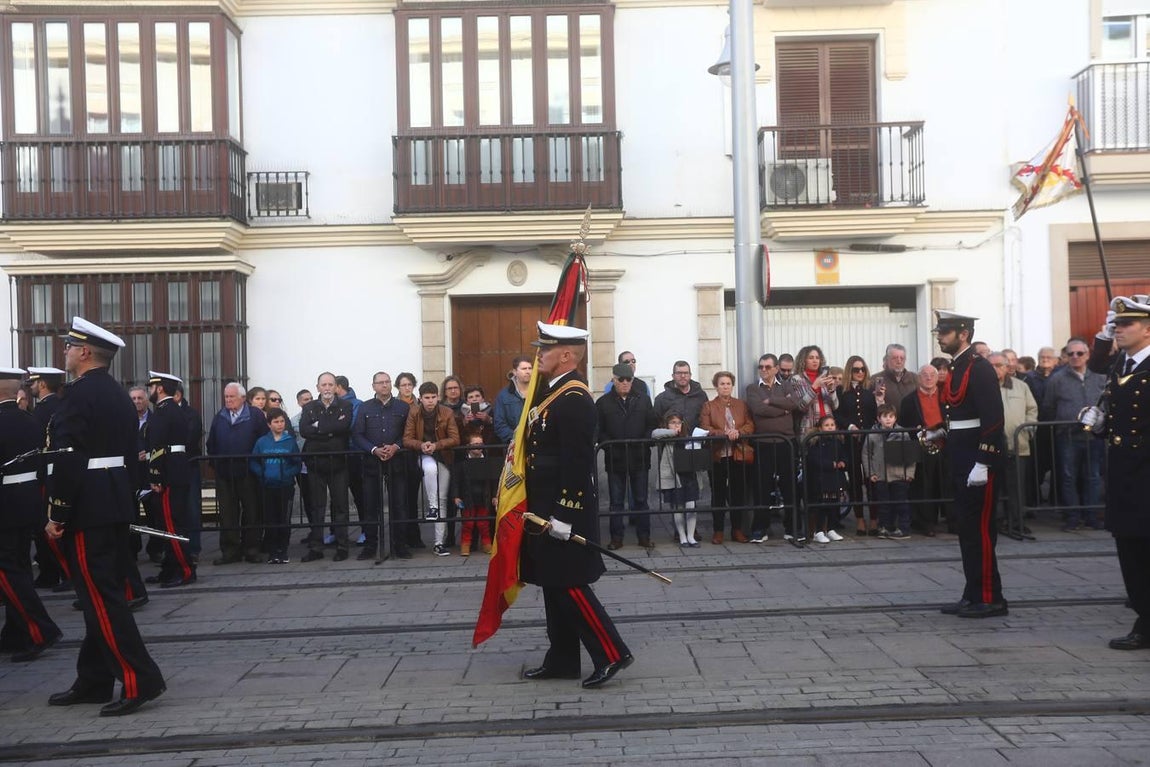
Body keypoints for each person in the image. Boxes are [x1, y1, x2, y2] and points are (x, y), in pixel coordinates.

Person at [44, 317, 165, 716]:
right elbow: (130, 455)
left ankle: (138, 679)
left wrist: (58, 510)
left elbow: (67, 458)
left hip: (88, 507)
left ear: (83, 353)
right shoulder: (115, 394)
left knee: (102, 597)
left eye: (68, 347)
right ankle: (94, 679)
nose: (64, 353)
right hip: (113, 502)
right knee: (99, 593)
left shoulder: (77, 396)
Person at [520, 322, 632, 688]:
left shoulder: (574, 400)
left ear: (567, 355)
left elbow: (577, 461)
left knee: (570, 584)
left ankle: (612, 653)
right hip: (544, 507)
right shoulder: (552, 394)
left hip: (563, 511)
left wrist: (564, 515)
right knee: (553, 584)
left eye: (545, 350)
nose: (539, 355)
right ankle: (563, 659)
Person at [931, 311, 1007, 618]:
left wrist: (984, 461)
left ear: (964, 334)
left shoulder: (980, 368)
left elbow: (993, 418)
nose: (939, 336)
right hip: (962, 456)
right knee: (967, 530)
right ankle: (973, 592)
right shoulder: (958, 366)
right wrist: (942, 431)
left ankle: (990, 597)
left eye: (945, 331)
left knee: (981, 531)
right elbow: (960, 413)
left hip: (978, 459)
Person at [1088, 294, 1150, 650]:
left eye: (1126, 324)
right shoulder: (1122, 366)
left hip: (1146, 472)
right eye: (1117, 324)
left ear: (1147, 328)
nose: (1119, 329)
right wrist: (1100, 423)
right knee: (1130, 549)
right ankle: (1144, 615)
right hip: (1124, 472)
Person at [0, 367, 62, 663]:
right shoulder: (31, 420)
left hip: (5, 505)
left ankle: (41, 629)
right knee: (20, 566)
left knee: (9, 571)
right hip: (28, 503)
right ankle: (15, 632)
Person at [1041, 337, 1106, 530]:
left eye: (1080, 353)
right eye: (1071, 354)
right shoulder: (1057, 379)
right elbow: (1048, 406)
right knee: (1068, 477)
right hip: (1067, 436)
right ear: (1066, 356)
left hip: (1093, 437)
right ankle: (1072, 516)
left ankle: (1091, 515)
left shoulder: (1099, 378)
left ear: (1087, 355)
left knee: (1093, 476)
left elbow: (1106, 404)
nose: (1075, 357)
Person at [352, 371, 413, 560]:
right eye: (380, 382)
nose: (384, 385)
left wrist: (396, 446)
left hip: (397, 462)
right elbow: (357, 434)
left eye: (387, 382)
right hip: (372, 463)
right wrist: (373, 449)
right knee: (371, 505)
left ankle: (400, 545)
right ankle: (371, 545)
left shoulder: (403, 407)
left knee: (399, 504)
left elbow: (409, 433)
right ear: (373, 386)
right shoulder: (364, 408)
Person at [142, 371, 195, 588]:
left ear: (160, 388)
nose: (149, 392)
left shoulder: (164, 412)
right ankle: (169, 568)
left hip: (168, 472)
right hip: (175, 469)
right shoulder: (173, 409)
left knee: (172, 524)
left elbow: (157, 446)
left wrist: (154, 475)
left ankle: (184, 570)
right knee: (166, 523)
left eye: (151, 388)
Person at [206, 382, 268, 565]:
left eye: (232, 396)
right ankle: (230, 551)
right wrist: (216, 463)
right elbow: (212, 442)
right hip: (225, 473)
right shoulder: (220, 416)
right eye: (226, 396)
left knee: (251, 511)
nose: (228, 400)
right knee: (227, 513)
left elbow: (263, 440)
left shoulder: (255, 415)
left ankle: (251, 549)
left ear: (242, 398)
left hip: (248, 472)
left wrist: (257, 464)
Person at [596, 362, 657, 549]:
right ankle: (616, 538)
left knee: (641, 500)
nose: (624, 383)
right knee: (616, 501)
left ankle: (644, 536)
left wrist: (645, 442)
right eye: (620, 379)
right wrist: (610, 447)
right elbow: (599, 430)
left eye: (628, 379)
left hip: (639, 457)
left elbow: (651, 425)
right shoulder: (603, 403)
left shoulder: (643, 400)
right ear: (613, 380)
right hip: (616, 460)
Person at [744, 353, 802, 543]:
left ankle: (793, 527)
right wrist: (782, 407)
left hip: (786, 442)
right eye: (761, 367)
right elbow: (758, 410)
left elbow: (794, 403)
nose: (764, 370)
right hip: (764, 443)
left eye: (768, 367)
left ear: (776, 368)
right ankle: (760, 528)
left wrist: (772, 401)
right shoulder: (752, 388)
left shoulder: (787, 385)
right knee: (762, 487)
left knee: (790, 487)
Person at [299, 372, 354, 562]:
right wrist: (330, 429)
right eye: (324, 385)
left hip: (338, 463)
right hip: (315, 464)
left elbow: (344, 427)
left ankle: (342, 546)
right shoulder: (309, 407)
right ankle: (316, 547)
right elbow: (305, 430)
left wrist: (318, 428)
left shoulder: (345, 405)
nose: (328, 388)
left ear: (336, 387)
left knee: (340, 506)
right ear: (318, 387)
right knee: (316, 507)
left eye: (331, 384)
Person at [24, 366, 70, 590]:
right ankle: (51, 572)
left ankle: (64, 573)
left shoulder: (43, 411)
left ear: (42, 384)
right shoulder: (60, 406)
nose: (31, 387)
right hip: (53, 472)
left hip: (46, 474)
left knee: (49, 527)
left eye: (33, 383)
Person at [403, 381, 460, 556]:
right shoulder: (414, 412)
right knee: (429, 469)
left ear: (438, 397)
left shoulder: (447, 412)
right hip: (424, 455)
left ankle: (438, 543)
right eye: (426, 398)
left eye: (433, 397)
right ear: (420, 398)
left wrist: (436, 445)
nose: (430, 401)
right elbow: (406, 439)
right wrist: (422, 445)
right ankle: (432, 507)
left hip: (442, 456)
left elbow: (455, 438)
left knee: (443, 498)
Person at [699, 371, 754, 544]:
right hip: (717, 455)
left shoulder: (741, 405)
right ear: (716, 386)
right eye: (722, 383)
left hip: (737, 454)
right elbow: (705, 427)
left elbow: (750, 424)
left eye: (728, 383)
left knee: (738, 493)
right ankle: (718, 530)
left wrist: (738, 432)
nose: (725, 386)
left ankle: (737, 529)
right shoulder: (708, 406)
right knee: (718, 494)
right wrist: (724, 433)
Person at [898, 364, 947, 537]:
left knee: (946, 484)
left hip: (945, 446)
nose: (928, 378)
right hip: (922, 448)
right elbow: (904, 425)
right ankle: (926, 523)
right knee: (924, 486)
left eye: (932, 374)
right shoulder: (909, 400)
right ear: (918, 378)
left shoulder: (946, 397)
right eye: (924, 374)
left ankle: (952, 520)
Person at [991, 352, 1037, 531]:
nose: (995, 369)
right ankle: (995, 522)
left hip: (1018, 444)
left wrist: (1028, 431)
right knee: (994, 488)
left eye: (999, 365)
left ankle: (1017, 522)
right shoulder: (981, 387)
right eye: (992, 365)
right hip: (991, 447)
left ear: (1007, 367)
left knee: (1016, 487)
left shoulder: (1021, 387)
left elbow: (1032, 410)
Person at [250, 407, 301, 564]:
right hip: (268, 486)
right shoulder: (262, 442)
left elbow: (297, 463)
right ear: (269, 424)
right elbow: (254, 461)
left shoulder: (290, 442)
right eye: (276, 422)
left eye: (282, 421)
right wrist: (262, 474)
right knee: (270, 519)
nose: (280, 425)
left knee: (284, 519)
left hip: (285, 485)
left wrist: (288, 473)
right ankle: (273, 551)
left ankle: (283, 550)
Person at [836, 355, 878, 536]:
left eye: (863, 369)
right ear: (849, 371)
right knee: (854, 480)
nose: (860, 373)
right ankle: (859, 518)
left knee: (872, 478)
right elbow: (837, 414)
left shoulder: (870, 391)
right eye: (856, 370)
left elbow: (875, 414)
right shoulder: (841, 391)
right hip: (851, 441)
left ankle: (874, 518)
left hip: (869, 441)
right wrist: (849, 426)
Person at [864, 404, 915, 539]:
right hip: (881, 475)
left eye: (891, 417)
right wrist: (870, 473)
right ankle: (885, 527)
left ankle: (904, 528)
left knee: (901, 502)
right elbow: (866, 454)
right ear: (878, 418)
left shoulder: (902, 432)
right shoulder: (872, 434)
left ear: (895, 418)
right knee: (883, 503)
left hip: (899, 475)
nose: (888, 419)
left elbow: (910, 455)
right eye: (885, 417)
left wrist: (909, 474)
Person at [450, 433, 496, 556]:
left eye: (480, 444)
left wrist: (495, 496)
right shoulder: (462, 463)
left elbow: (493, 482)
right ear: (468, 446)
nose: (478, 446)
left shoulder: (487, 462)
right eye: (475, 444)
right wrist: (456, 496)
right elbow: (456, 481)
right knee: (467, 523)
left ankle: (487, 544)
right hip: (467, 497)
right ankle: (465, 545)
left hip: (483, 497)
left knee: (484, 523)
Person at [806, 414, 847, 544]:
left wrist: (843, 462)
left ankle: (831, 528)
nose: (830, 428)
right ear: (820, 428)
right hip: (821, 478)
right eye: (827, 425)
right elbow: (814, 459)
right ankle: (818, 531)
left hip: (835, 477)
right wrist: (831, 464)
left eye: (832, 425)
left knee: (834, 504)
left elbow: (844, 455)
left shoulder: (838, 441)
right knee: (821, 505)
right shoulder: (815, 442)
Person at [793, 345, 839, 436]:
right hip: (810, 426)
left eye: (817, 358)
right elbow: (801, 406)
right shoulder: (797, 379)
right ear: (803, 360)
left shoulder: (825, 377)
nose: (815, 360)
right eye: (811, 358)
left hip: (828, 426)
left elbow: (835, 406)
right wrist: (814, 387)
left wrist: (831, 389)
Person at [494, 356, 533, 444]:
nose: (527, 371)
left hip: (537, 444)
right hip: (514, 445)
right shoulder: (504, 395)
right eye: (523, 368)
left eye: (530, 368)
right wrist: (515, 437)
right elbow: (499, 424)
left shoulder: (538, 392)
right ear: (515, 372)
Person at [870, 344, 919, 412]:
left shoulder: (914, 378)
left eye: (902, 358)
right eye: (895, 358)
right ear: (887, 360)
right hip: (888, 421)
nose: (899, 361)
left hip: (910, 421)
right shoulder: (876, 379)